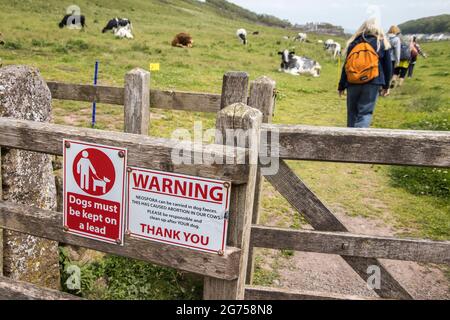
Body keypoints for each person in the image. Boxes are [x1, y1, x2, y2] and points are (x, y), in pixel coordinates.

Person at [338, 18, 392, 128]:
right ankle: (359, 142)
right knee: (365, 113)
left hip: (352, 81)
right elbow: (388, 67)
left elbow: (346, 66)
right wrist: (386, 86)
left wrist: (341, 85)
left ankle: (350, 140)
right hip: (373, 82)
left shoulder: (353, 43)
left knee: (352, 113)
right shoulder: (381, 43)